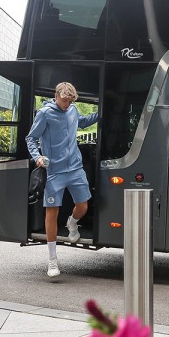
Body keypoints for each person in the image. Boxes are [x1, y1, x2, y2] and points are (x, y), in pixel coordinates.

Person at [25, 82, 99, 278]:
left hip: (75, 168)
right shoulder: (45, 113)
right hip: (54, 171)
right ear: (56, 96)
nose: (67, 104)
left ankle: (72, 223)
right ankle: (52, 260)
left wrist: (102, 113)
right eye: (65, 100)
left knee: (83, 206)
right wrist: (37, 157)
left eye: (70, 101)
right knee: (51, 213)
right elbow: (30, 138)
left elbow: (81, 122)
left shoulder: (73, 110)